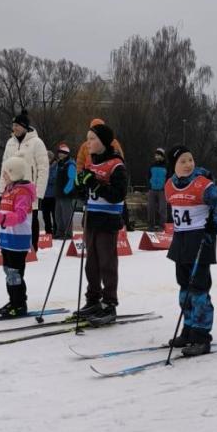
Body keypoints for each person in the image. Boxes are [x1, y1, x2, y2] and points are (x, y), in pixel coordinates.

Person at [164, 147, 217, 356]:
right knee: (184, 288)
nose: (188, 164)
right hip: (181, 242)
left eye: (191, 159)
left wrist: (216, 224)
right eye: (183, 161)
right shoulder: (169, 186)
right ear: (174, 166)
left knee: (199, 290)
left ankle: (202, 336)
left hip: (200, 242)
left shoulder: (204, 185)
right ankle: (189, 329)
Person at [74, 123, 128, 322]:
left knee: (107, 262)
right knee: (92, 263)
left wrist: (95, 184)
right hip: (92, 219)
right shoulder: (91, 163)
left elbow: (118, 194)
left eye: (92, 139)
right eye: (87, 139)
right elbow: (85, 194)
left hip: (108, 220)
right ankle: (93, 299)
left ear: (104, 142)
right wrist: (80, 186)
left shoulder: (116, 165)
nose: (88, 143)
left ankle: (109, 303)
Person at [0, 155, 36, 318]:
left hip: (18, 239)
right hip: (6, 238)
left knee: (15, 272)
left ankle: (20, 304)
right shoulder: (8, 190)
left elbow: (20, 216)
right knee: (8, 271)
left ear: (14, 173)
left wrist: (2, 219)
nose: (3, 176)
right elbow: (0, 213)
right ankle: (13, 300)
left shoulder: (23, 192)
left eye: (6, 173)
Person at [0, 111, 49, 253]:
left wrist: (39, 193)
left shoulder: (37, 143)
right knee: (14, 216)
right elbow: (5, 167)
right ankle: (15, 244)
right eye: (13, 125)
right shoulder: (10, 143)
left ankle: (33, 246)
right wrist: (2, 191)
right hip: (12, 190)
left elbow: (43, 168)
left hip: (29, 189)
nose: (14, 128)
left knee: (31, 217)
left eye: (16, 125)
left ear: (24, 126)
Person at [53, 143, 76, 239]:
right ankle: (60, 232)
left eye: (63, 153)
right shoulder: (59, 164)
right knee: (58, 215)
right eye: (59, 152)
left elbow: (71, 180)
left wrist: (66, 192)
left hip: (66, 195)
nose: (60, 154)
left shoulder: (70, 164)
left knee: (67, 215)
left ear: (67, 154)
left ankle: (68, 233)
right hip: (58, 194)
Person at [146, 148, 168, 231]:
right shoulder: (152, 165)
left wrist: (165, 187)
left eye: (158, 154)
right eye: (156, 154)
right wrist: (149, 185)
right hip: (152, 190)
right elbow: (148, 176)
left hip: (162, 190)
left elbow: (169, 177)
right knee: (150, 208)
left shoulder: (166, 166)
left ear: (162, 156)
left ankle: (162, 227)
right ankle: (150, 226)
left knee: (162, 209)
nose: (157, 156)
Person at [40, 149, 57, 235]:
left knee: (54, 215)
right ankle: (48, 231)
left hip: (53, 195)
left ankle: (55, 230)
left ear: (51, 158)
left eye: (48, 158)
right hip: (44, 195)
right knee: (45, 215)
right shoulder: (42, 167)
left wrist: (45, 179)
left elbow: (54, 179)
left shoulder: (55, 166)